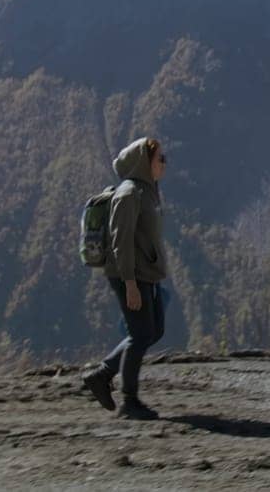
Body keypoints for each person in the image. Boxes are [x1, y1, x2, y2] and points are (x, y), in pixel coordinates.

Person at [81, 137, 170, 421]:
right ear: (145, 163)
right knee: (141, 334)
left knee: (152, 332)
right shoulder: (129, 194)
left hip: (146, 274)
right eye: (160, 159)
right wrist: (130, 283)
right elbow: (121, 242)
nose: (164, 163)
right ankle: (129, 402)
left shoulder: (147, 191)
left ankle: (103, 374)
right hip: (129, 275)